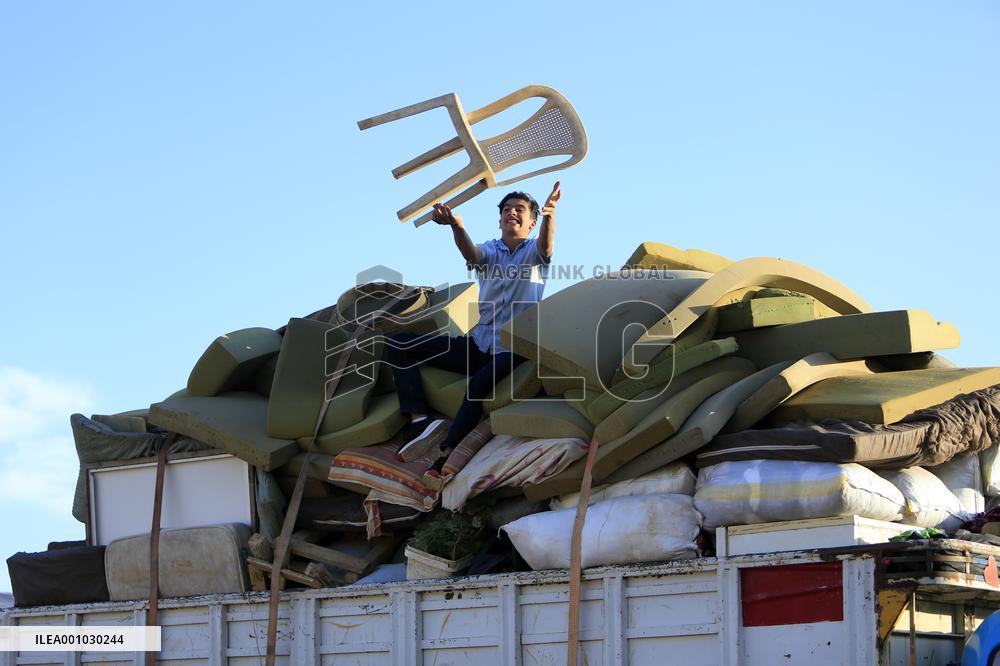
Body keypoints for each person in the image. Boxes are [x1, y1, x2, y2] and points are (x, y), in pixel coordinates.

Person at [386, 182, 562, 477]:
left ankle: (445, 456)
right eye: (507, 210)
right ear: (500, 220)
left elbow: (546, 246)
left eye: (519, 210)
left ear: (531, 222)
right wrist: (456, 226)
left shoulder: (534, 253)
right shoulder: (491, 250)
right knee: (399, 343)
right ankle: (419, 420)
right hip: (479, 343)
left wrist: (550, 215)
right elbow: (471, 254)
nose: (511, 213)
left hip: (513, 347)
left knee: (478, 386)